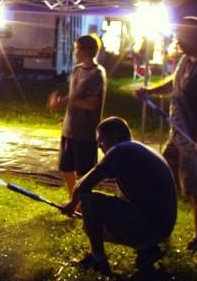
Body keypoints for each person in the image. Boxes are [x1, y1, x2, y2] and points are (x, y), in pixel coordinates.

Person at [135, 16, 197, 255]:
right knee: (161, 175)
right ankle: (158, 223)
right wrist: (150, 92)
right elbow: (173, 84)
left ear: (196, 36)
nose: (178, 41)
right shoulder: (185, 60)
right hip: (176, 134)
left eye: (181, 37)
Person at [63, 117, 177, 273]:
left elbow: (83, 185)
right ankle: (147, 250)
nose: (99, 146)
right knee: (96, 215)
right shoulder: (137, 148)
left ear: (115, 136)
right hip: (163, 226)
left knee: (89, 200)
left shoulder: (121, 150)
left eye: (101, 141)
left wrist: (71, 204)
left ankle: (98, 259)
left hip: (151, 224)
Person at [54, 34, 107, 198]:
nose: (74, 52)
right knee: (66, 168)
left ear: (85, 50)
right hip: (69, 129)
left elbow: (92, 104)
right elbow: (74, 97)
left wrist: (68, 101)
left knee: (83, 171)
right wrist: (67, 115)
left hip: (85, 132)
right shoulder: (77, 70)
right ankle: (74, 200)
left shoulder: (97, 74)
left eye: (76, 48)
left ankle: (84, 203)